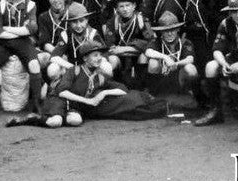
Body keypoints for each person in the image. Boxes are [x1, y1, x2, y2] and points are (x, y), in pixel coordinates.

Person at [38, 40, 169, 128]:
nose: (99, 58)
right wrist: (88, 101)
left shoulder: (99, 75)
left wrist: (104, 93)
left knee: (75, 121)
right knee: (55, 122)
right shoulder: (75, 70)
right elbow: (62, 91)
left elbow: (123, 89)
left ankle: (66, 116)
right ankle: (33, 118)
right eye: (95, 55)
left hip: (76, 106)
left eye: (100, 55)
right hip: (59, 100)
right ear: (85, 58)